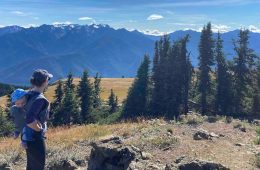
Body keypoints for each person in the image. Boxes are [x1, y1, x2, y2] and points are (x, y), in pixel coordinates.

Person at [22, 69, 52, 170]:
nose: (48, 81)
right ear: (44, 82)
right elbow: (29, 119)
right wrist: (39, 130)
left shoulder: (28, 94)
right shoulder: (40, 99)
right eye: (48, 79)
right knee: (38, 166)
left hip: (27, 135)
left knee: (31, 165)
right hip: (35, 137)